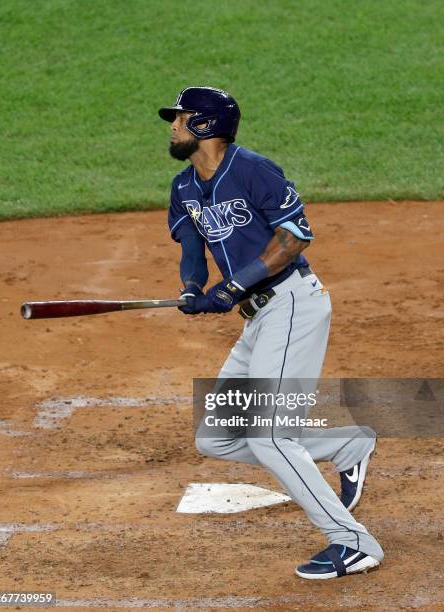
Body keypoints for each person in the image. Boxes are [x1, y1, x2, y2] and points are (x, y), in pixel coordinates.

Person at [159, 86, 384, 579]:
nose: (172, 126)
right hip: (259, 318)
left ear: (206, 126)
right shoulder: (183, 186)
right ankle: (347, 446)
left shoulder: (253, 169)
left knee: (268, 433)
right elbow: (192, 247)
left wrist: (233, 285)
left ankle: (353, 543)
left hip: (293, 306)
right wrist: (193, 287)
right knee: (214, 437)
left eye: (180, 117)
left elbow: (295, 236)